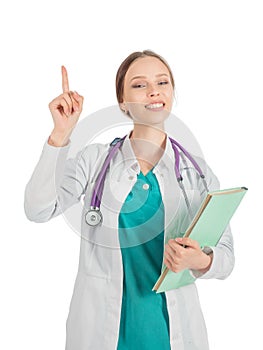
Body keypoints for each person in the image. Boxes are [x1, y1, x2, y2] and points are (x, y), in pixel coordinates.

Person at [24, 50, 235, 350]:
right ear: (122, 102)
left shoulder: (195, 171)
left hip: (171, 333)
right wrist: (60, 135)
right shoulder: (95, 161)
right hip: (102, 333)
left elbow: (225, 256)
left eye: (162, 82)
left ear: (172, 93)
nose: (154, 91)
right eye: (139, 85)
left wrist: (199, 259)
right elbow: (38, 208)